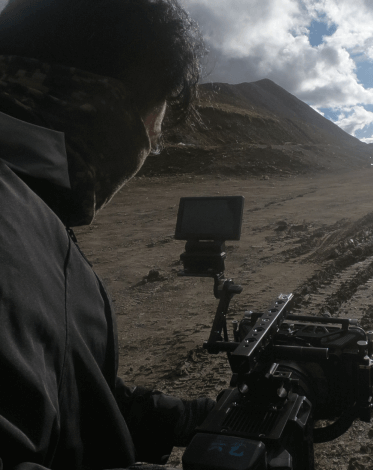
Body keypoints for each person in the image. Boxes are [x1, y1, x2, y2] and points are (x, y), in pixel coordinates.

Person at [0, 1, 215, 469]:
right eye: (152, 134)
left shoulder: (41, 220)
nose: (148, 150)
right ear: (110, 107)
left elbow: (75, 397)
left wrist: (198, 417)